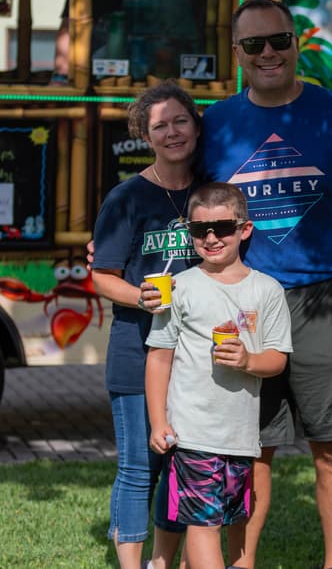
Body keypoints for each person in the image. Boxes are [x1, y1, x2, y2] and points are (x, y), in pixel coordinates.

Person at [197, 0, 332, 569]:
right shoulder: (217, 124)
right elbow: (186, 202)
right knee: (250, 450)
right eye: (254, 44)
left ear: (296, 41)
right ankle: (242, 563)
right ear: (237, 54)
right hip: (245, 299)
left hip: (329, 297)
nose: (268, 53)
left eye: (278, 39)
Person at [145, 182, 292, 568]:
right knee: (203, 524)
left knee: (229, 517)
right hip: (192, 432)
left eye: (222, 228)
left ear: (244, 230)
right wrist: (158, 421)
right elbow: (159, 357)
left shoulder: (268, 290)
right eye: (199, 230)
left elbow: (277, 359)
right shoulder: (179, 288)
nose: (211, 238)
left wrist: (246, 360)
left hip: (240, 436)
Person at [91, 80, 202, 569]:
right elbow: (101, 276)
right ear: (146, 135)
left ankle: (162, 562)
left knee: (179, 465)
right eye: (161, 126)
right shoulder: (126, 198)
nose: (172, 132)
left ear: (196, 126)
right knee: (140, 467)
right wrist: (143, 296)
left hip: (197, 357)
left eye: (181, 121)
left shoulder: (212, 193)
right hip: (137, 350)